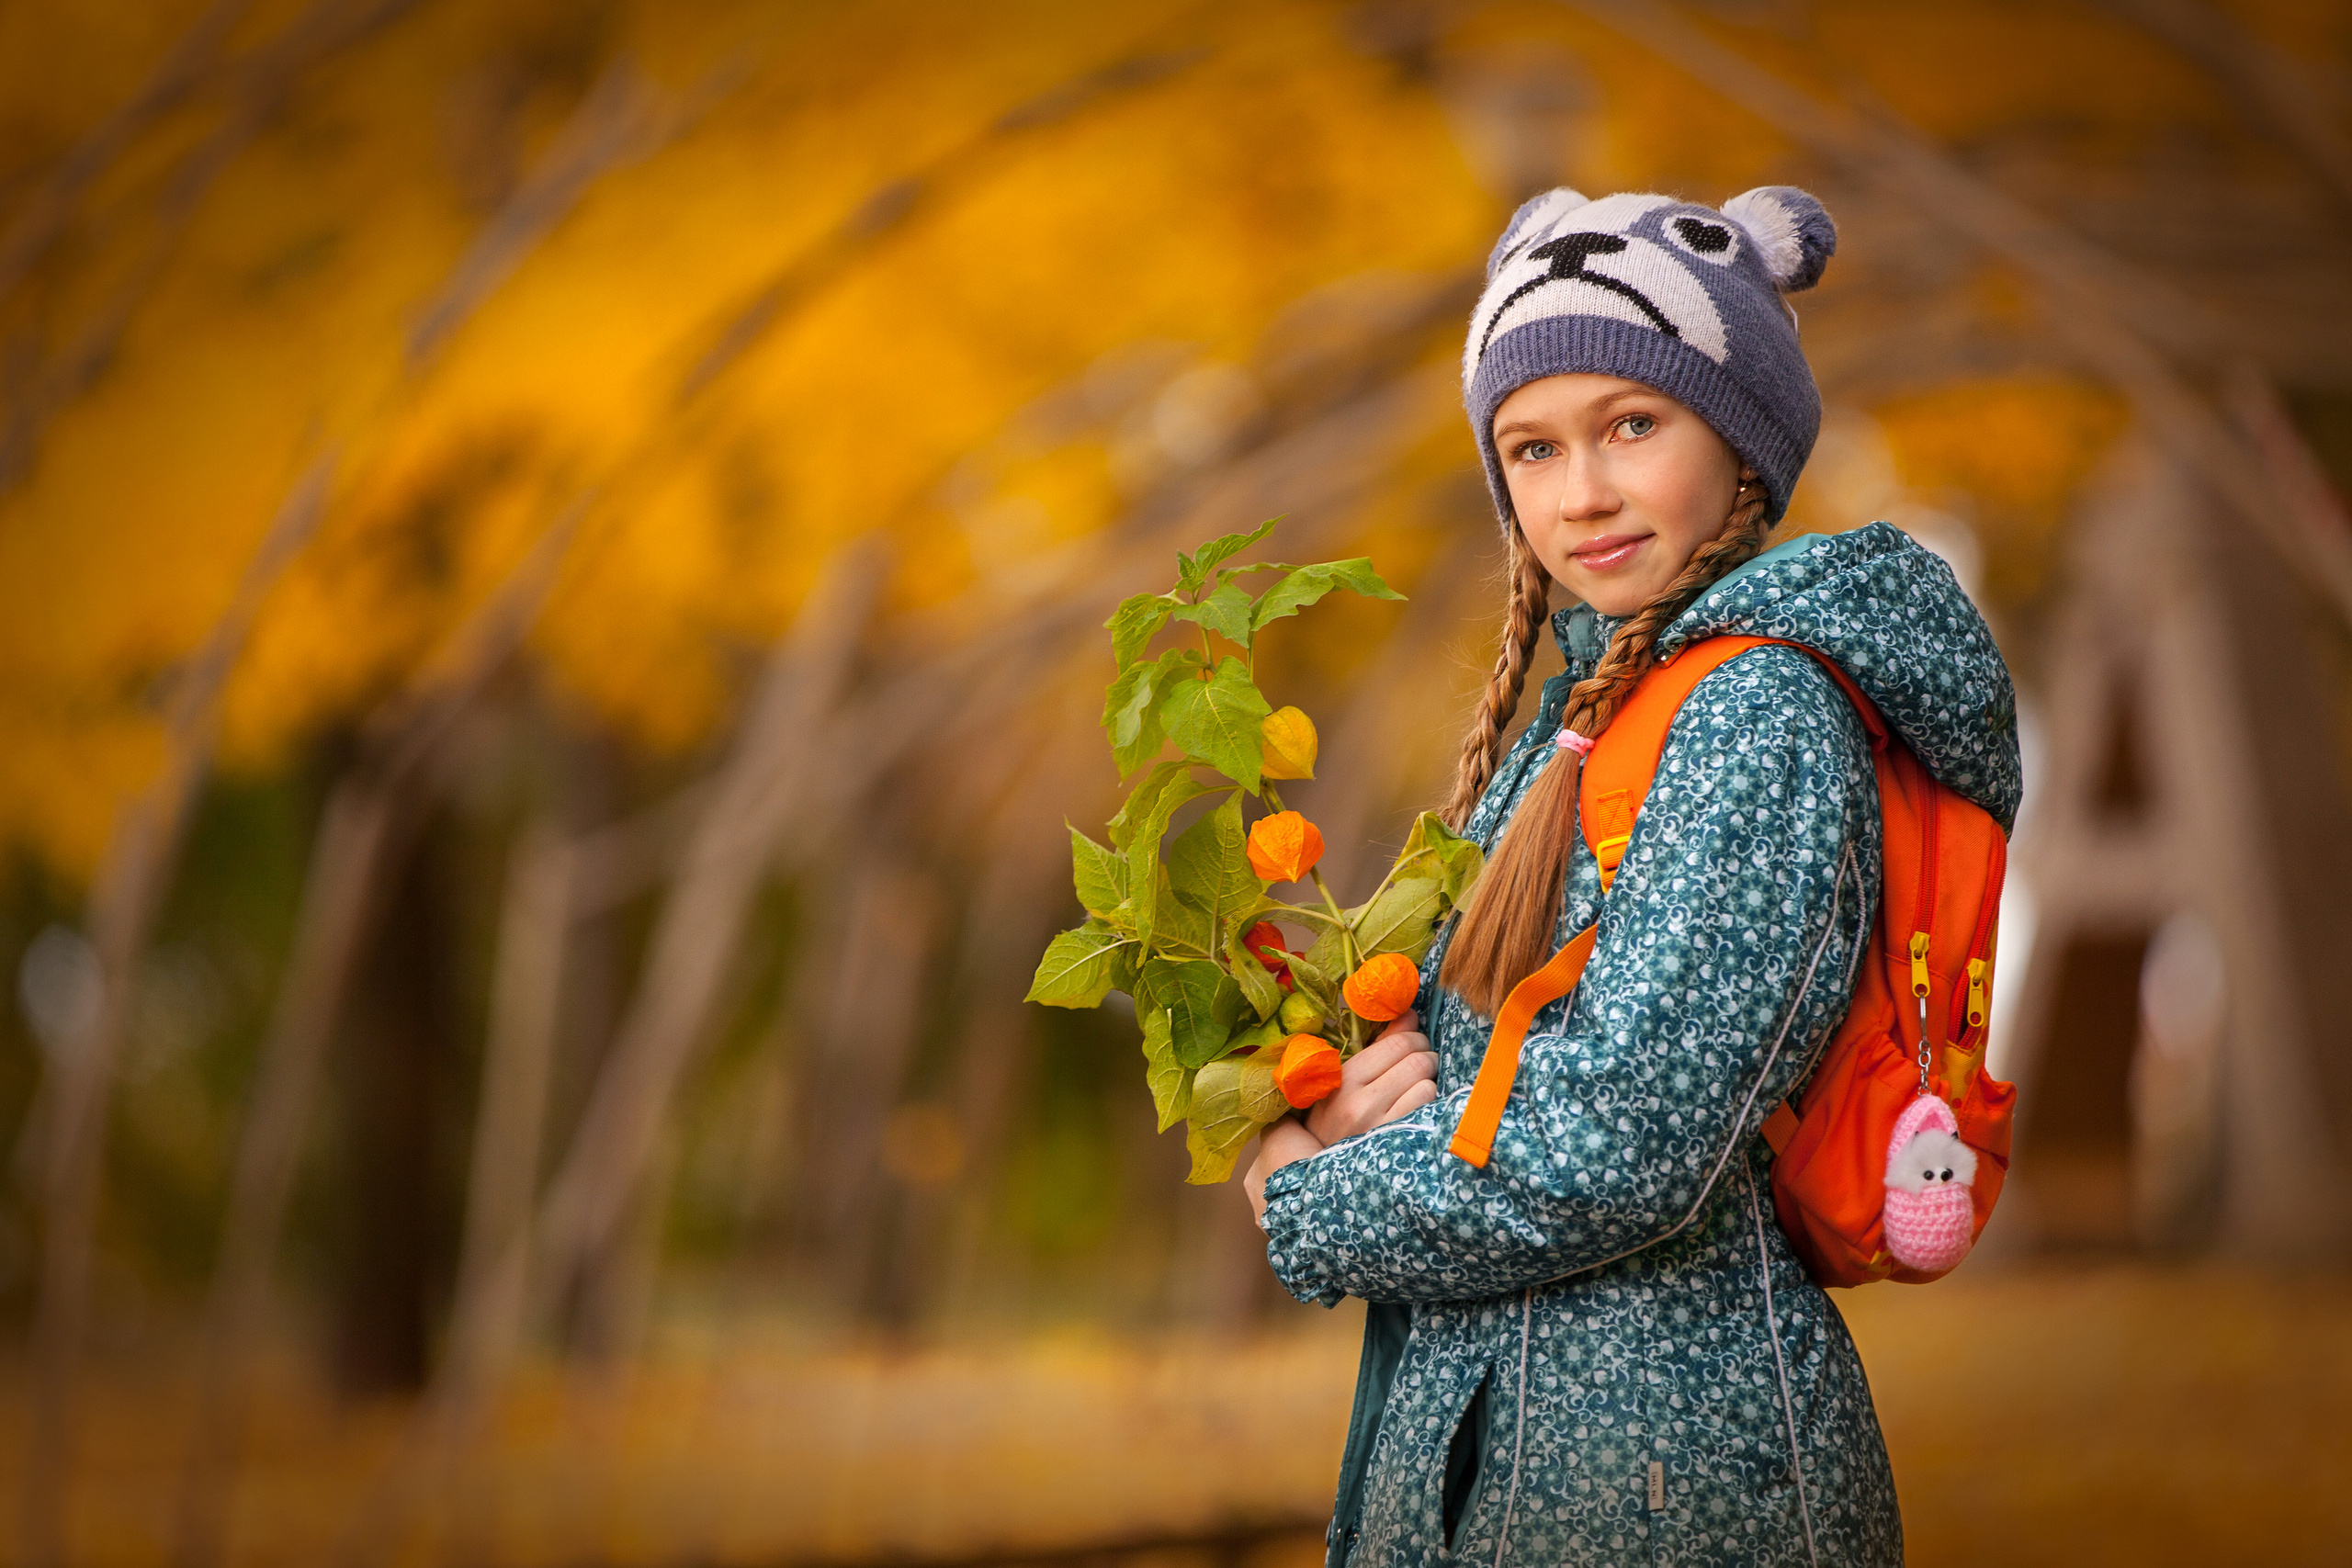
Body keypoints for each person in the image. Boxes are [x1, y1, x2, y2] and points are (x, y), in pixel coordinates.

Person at [1242, 186, 2021, 1566]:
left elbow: (1621, 1144)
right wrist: (1366, 1095)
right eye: (1532, 450)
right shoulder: (1590, 712)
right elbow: (1500, 1077)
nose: (1581, 493)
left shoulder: (1757, 716)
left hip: (1663, 1482)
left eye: (1631, 426)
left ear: (1740, 433)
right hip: (1527, 1459)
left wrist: (1302, 1200)